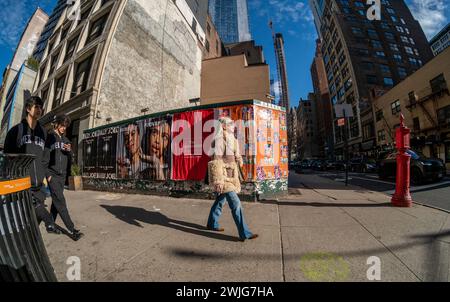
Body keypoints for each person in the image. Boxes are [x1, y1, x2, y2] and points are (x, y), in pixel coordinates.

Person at [3, 96, 60, 234]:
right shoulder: (15, 131)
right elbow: (8, 159)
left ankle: (35, 240)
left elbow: (46, 158)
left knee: (34, 223)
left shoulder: (43, 133)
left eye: (41, 107)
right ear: (28, 109)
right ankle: (49, 222)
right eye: (36, 106)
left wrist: (47, 176)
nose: (39, 110)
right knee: (25, 219)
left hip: (39, 185)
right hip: (23, 184)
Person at [206, 116, 258, 241]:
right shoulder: (219, 140)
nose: (233, 125)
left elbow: (236, 155)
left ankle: (212, 224)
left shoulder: (233, 140)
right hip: (224, 177)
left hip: (232, 175)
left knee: (220, 201)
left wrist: (239, 159)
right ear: (223, 126)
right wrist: (218, 181)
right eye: (230, 123)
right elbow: (216, 161)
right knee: (236, 204)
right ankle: (244, 233)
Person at [45, 114, 83, 241]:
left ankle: (50, 224)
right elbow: (44, 158)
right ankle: (72, 229)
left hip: (62, 176)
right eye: (62, 125)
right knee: (61, 202)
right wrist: (48, 175)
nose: (63, 128)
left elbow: (71, 157)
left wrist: (69, 151)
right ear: (57, 124)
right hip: (53, 175)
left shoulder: (66, 139)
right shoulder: (50, 137)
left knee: (56, 202)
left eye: (65, 126)